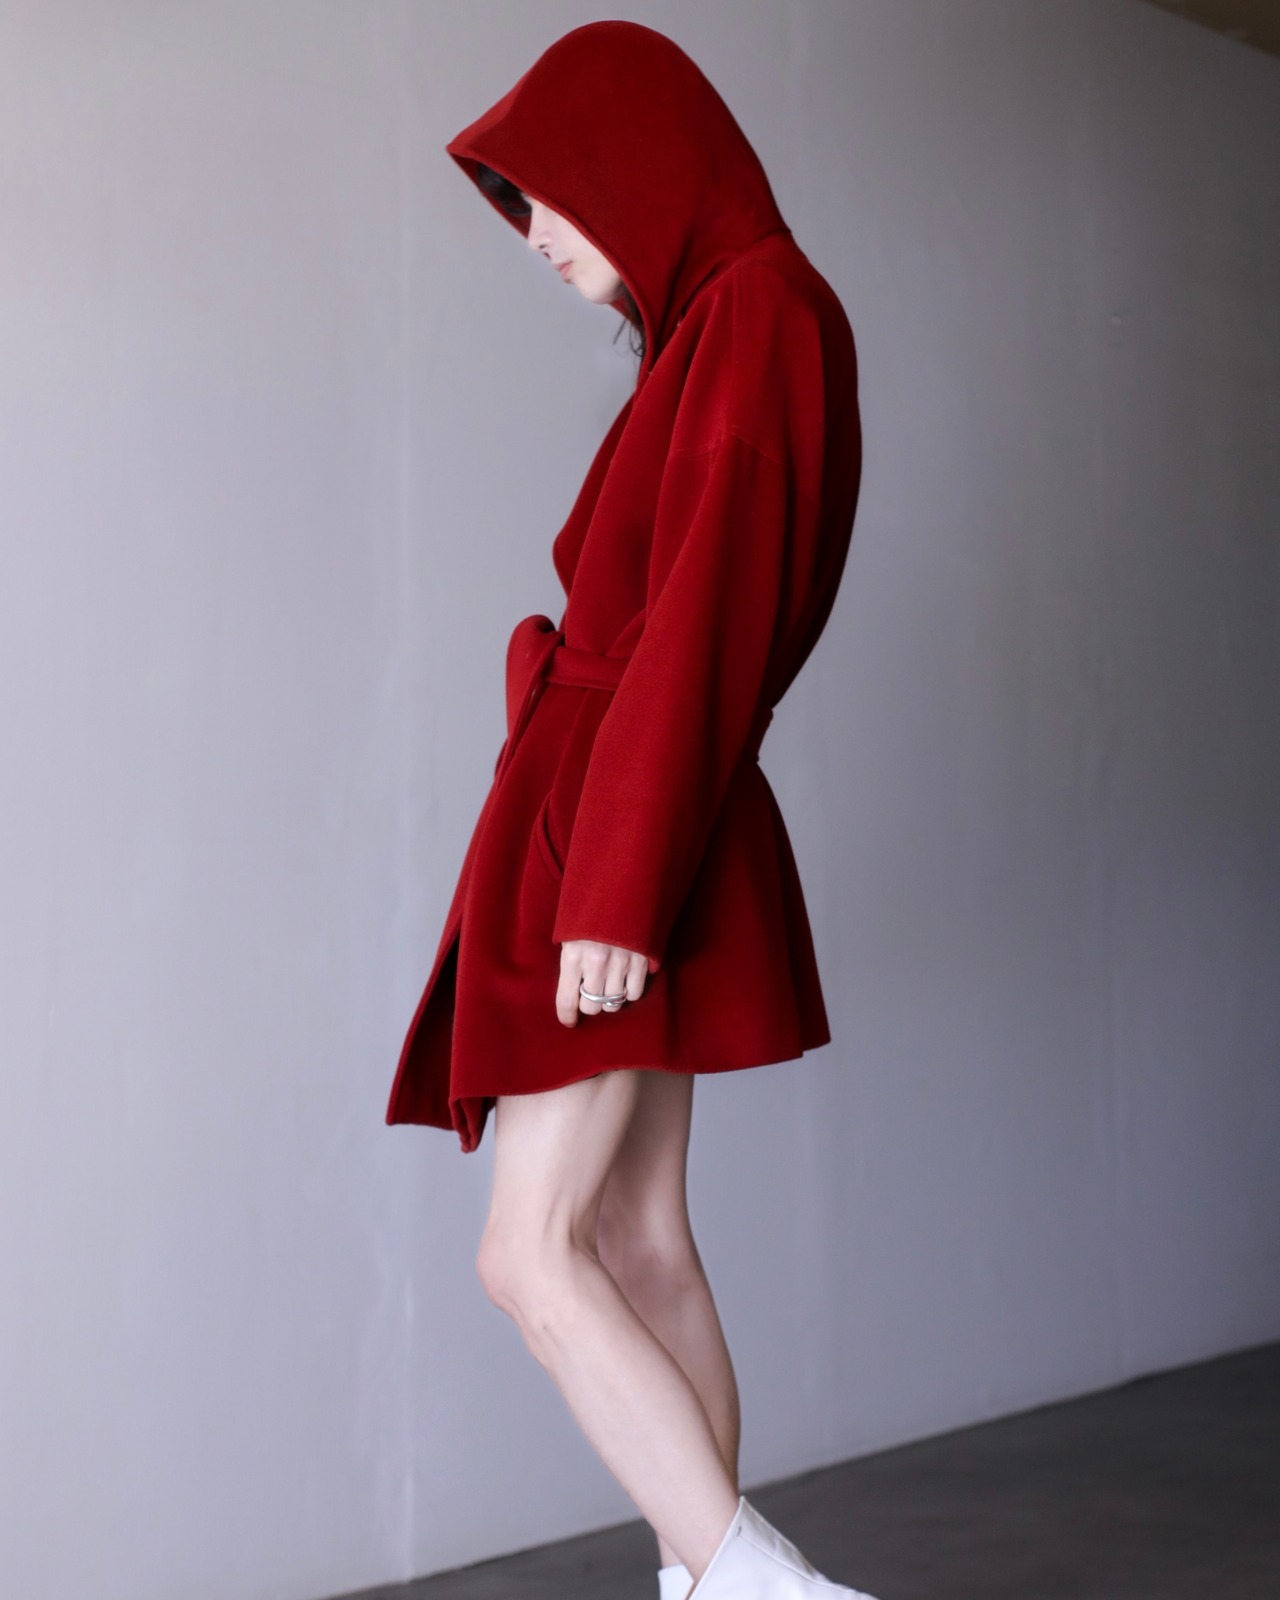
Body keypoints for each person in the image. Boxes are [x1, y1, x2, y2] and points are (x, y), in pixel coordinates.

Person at [384, 21, 874, 1600]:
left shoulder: (760, 309)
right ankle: (705, 1585)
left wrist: (614, 881)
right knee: (640, 1238)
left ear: (636, 157)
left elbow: (714, 613)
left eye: (546, 191)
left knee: (527, 1251)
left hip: (625, 814)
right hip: (626, 803)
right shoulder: (726, 323)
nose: (533, 233)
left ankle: (757, 1585)